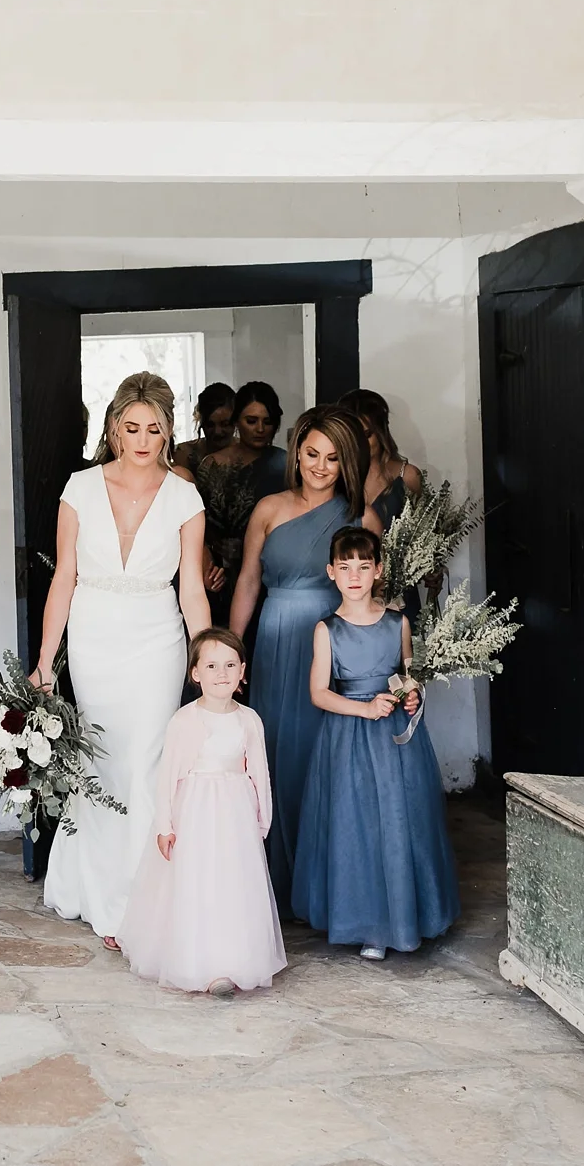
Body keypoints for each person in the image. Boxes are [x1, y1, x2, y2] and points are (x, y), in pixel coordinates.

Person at [33, 372, 213, 948]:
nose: (141, 439)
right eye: (131, 428)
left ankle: (137, 900)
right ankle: (95, 889)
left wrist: (208, 658)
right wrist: (46, 662)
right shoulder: (80, 488)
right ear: (113, 428)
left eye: (153, 429)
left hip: (157, 636)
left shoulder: (184, 496)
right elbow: (64, 578)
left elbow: (191, 589)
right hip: (94, 636)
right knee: (104, 760)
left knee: (145, 763)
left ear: (168, 432)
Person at [226, 405, 382, 911]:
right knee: (275, 755)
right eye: (312, 454)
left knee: (328, 757)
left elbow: (376, 597)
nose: (320, 466)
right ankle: (277, 881)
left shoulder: (362, 517)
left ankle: (329, 884)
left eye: (332, 458)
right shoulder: (269, 509)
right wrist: (232, 649)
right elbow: (249, 580)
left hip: (336, 648)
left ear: (346, 463)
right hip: (276, 642)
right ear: (296, 453)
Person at [292, 526, 458, 960]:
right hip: (349, 736)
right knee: (358, 822)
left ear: (378, 570)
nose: (354, 576)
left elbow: (407, 676)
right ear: (331, 572)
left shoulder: (397, 623)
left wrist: (412, 695)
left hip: (395, 739)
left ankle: (405, 917)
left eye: (363, 567)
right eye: (345, 567)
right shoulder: (327, 629)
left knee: (401, 819)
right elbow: (319, 693)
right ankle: (369, 923)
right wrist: (364, 709)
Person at [116, 627, 285, 994]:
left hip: (235, 812)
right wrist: (165, 824)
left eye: (230, 665)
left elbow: (260, 774)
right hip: (194, 811)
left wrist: (262, 819)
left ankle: (232, 962)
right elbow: (168, 777)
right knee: (198, 880)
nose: (221, 673)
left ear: (242, 671)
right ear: (195, 673)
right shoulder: (184, 720)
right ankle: (199, 963)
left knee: (232, 883)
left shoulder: (249, 720)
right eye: (211, 666)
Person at [193, 382, 286, 628]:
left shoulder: (286, 466)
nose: (260, 429)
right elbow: (197, 524)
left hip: (271, 575)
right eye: (251, 421)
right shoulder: (212, 465)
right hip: (219, 575)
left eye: (267, 422)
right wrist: (211, 553)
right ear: (236, 421)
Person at [338, 389, 424, 532]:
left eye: (366, 435)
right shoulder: (334, 476)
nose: (359, 443)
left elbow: (423, 530)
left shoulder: (408, 476)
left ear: (381, 432)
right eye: (351, 435)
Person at [171, 383, 237, 476]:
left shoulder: (249, 453)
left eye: (225, 424)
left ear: (236, 421)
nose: (217, 431)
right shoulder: (184, 454)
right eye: (210, 425)